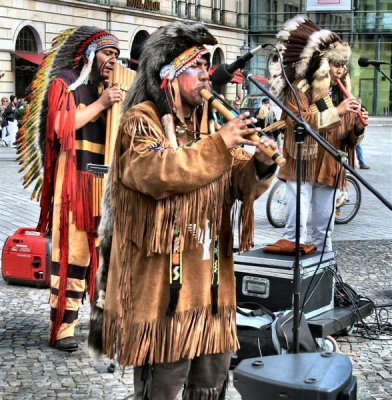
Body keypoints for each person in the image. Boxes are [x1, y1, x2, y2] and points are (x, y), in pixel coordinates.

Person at [90, 22, 277, 398]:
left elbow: (237, 184)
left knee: (211, 380)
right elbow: (157, 173)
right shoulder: (139, 121)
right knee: (163, 385)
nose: (208, 76)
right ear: (169, 76)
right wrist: (220, 146)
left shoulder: (207, 122)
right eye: (197, 67)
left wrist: (260, 164)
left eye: (208, 67)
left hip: (210, 286)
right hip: (165, 293)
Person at [18, 26, 123, 352]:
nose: (113, 60)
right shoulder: (66, 81)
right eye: (108, 53)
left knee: (105, 259)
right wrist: (103, 103)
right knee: (73, 255)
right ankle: (63, 327)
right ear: (90, 54)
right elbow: (61, 126)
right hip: (74, 184)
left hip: (104, 183)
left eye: (117, 55)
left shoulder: (110, 88)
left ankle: (103, 326)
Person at [267, 16, 368, 253]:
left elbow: (349, 141)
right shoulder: (300, 88)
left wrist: (358, 126)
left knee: (324, 231)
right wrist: (339, 111)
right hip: (302, 165)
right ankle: (296, 283)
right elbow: (300, 121)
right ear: (323, 64)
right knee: (296, 232)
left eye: (343, 65)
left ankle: (325, 278)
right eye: (335, 64)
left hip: (330, 167)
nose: (341, 70)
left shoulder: (344, 94)